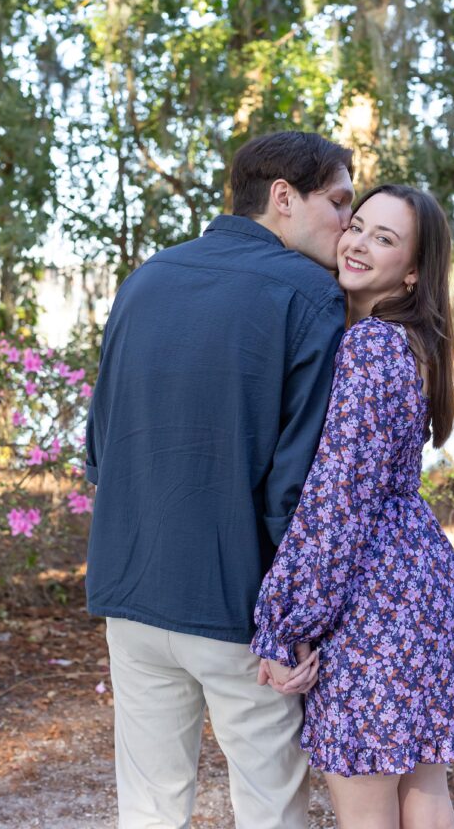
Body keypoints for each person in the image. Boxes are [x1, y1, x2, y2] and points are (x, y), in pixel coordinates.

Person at [85, 131, 354, 828]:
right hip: (239, 604)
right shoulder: (308, 293)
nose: (346, 224)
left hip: (132, 589)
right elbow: (298, 480)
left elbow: (99, 444)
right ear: (283, 197)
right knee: (267, 805)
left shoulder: (145, 277)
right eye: (337, 201)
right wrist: (293, 615)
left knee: (149, 805)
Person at [251, 184, 454, 829]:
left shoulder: (370, 347)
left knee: (368, 812)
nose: (356, 243)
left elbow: (337, 504)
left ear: (412, 271)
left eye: (384, 238)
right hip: (424, 589)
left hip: (376, 605)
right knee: (425, 794)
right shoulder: (412, 343)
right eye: (356, 225)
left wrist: (286, 623)